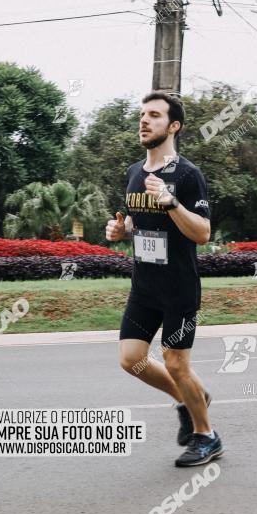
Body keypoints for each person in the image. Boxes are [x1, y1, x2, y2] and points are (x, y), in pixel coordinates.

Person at [105, 91, 223, 467]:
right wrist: (122, 231)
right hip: (144, 286)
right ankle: (190, 399)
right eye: (142, 115)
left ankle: (207, 436)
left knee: (176, 364)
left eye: (154, 115)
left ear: (173, 126)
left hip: (178, 288)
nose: (144, 121)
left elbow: (203, 233)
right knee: (132, 359)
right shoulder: (134, 173)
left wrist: (172, 202)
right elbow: (143, 223)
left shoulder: (188, 175)